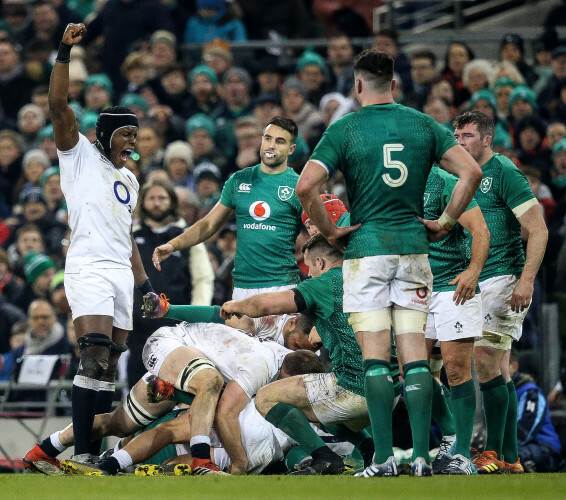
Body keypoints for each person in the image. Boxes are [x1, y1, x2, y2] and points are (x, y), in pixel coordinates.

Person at [296, 49, 483, 478]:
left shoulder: (345, 129)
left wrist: (329, 231)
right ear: (394, 84)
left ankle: (382, 460)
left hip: (365, 253)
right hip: (414, 250)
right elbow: (470, 173)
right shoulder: (423, 125)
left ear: (357, 84)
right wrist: (446, 221)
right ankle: (421, 457)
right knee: (415, 359)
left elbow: (307, 185)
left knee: (376, 361)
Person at [43, 23, 153, 461]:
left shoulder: (130, 179)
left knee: (108, 368)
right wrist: (65, 53)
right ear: (106, 133)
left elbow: (127, 237)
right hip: (87, 266)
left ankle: (96, 454)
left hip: (122, 274)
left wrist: (144, 285)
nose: (134, 142)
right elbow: (57, 103)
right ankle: (83, 454)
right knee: (93, 355)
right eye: (127, 134)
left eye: (137, 135)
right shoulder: (78, 154)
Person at [221, 234, 384, 475]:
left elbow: (267, 305)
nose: (308, 274)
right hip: (385, 390)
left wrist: (235, 305)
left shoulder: (325, 282)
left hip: (354, 390)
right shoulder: (368, 276)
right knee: (315, 404)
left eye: (309, 267)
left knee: (266, 397)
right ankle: (371, 450)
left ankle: (324, 457)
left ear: (321, 263)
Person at [452, 111, 548, 474]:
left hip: (503, 278)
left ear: (487, 139)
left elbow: (538, 230)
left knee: (485, 360)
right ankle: (510, 457)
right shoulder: (458, 174)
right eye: (457, 135)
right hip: (473, 280)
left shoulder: (504, 172)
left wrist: (526, 280)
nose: (460, 142)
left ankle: (492, 451)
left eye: (468, 136)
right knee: (498, 368)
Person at [152, 117, 303, 328]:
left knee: (289, 358)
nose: (271, 145)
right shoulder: (239, 180)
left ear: (291, 149)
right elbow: (208, 224)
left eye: (279, 141)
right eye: (268, 138)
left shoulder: (299, 186)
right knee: (242, 358)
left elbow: (315, 231)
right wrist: (174, 244)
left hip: (282, 287)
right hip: (242, 287)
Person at [423, 166, 490, 475]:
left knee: (456, 368)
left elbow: (480, 230)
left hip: (452, 287)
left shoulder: (447, 182)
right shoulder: (395, 183)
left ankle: (463, 455)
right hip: (416, 288)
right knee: (410, 371)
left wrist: (474, 271)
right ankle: (449, 433)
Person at [127, 178, 214, 387]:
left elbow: (203, 279)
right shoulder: (131, 237)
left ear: (172, 202)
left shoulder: (185, 238)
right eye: (151, 198)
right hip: (139, 328)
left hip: (177, 327)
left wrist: (196, 315)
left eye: (162, 198)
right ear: (143, 203)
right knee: (138, 389)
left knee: (176, 388)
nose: (156, 203)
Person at [509, 348, 562, 473]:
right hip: (515, 446)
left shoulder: (530, 392)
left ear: (514, 366)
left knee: (506, 457)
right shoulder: (493, 394)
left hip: (543, 446)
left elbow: (526, 430)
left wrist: (499, 450)